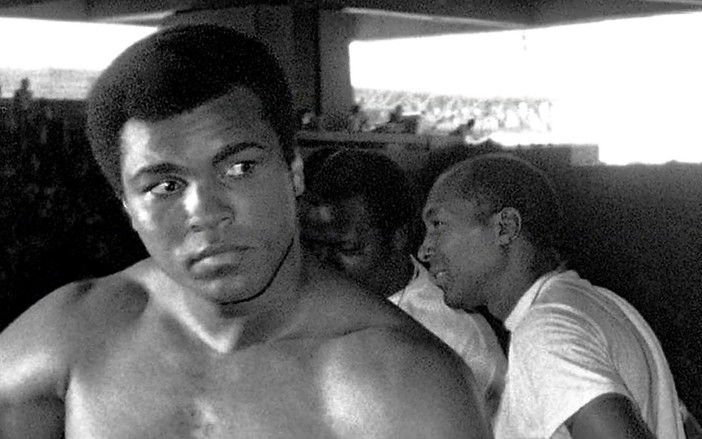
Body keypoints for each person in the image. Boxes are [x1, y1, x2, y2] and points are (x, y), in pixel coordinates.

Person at [0, 25, 490, 438]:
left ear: (293, 171)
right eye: (165, 185)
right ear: (128, 207)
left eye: (239, 168)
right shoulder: (69, 339)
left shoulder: (405, 384)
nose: (206, 212)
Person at [417, 153, 686, 439]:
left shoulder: (546, 331)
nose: (424, 250)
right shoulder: (606, 305)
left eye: (438, 225)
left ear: (505, 227)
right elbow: (685, 425)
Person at [298, 149, 507, 420]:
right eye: (314, 246)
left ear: (398, 237)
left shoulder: (457, 337)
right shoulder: (293, 303)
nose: (325, 262)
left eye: (347, 248)